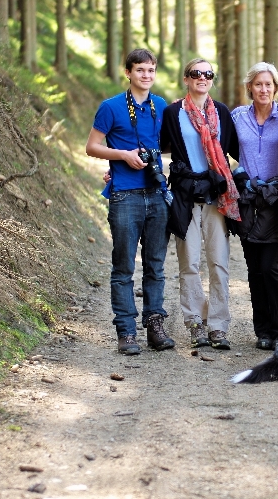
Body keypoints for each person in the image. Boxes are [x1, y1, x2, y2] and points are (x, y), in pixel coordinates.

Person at [85, 48, 175, 356]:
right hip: (124, 195)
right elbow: (92, 146)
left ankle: (155, 326)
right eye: (140, 70)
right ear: (128, 73)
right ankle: (126, 331)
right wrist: (123, 156)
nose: (146, 75)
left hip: (157, 193)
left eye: (151, 70)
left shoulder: (160, 105)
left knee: (156, 266)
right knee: (123, 267)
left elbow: (165, 147)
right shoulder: (110, 107)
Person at [160, 58, 241, 350]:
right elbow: (152, 145)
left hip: (216, 197)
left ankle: (218, 326)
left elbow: (238, 151)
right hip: (185, 196)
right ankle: (195, 323)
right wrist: (114, 167)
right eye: (196, 73)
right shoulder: (171, 113)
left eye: (208, 74)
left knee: (219, 263)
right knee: (189, 263)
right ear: (186, 79)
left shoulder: (221, 112)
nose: (202, 78)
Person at [230, 62, 278, 350]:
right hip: (247, 199)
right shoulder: (237, 116)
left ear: (276, 88)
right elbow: (225, 147)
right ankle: (263, 331)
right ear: (250, 87)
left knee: (270, 267)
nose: (263, 89)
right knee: (254, 268)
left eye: (268, 84)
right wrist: (239, 173)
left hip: (275, 198)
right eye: (258, 84)